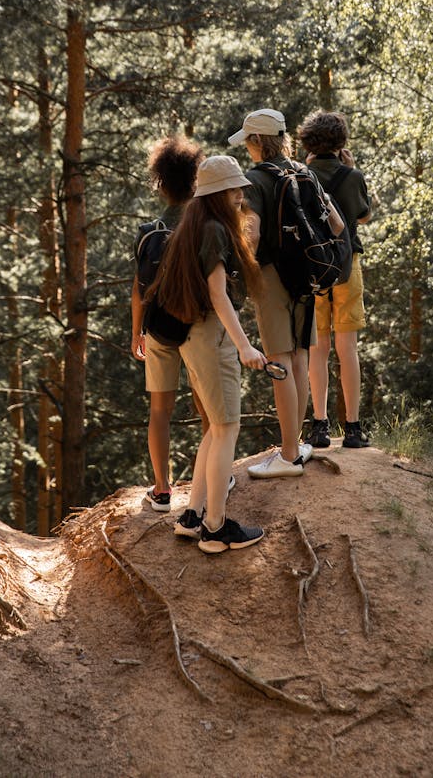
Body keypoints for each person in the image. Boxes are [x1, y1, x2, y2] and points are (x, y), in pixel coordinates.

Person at [146, 155, 267, 553]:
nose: (239, 196)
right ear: (219, 194)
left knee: (216, 427)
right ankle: (215, 529)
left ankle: (192, 514)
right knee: (227, 428)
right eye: (234, 190)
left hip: (193, 337)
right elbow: (218, 295)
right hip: (210, 338)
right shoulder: (214, 230)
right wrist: (245, 345)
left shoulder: (193, 225)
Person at [228, 108, 344, 479]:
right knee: (299, 359)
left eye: (248, 141)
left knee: (279, 361)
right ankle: (296, 447)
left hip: (272, 277)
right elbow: (338, 224)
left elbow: (253, 233)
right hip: (307, 278)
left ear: (259, 141)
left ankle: (289, 454)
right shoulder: (304, 171)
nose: (247, 148)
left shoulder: (254, 180)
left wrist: (239, 271)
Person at [131, 136, 204, 511]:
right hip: (197, 327)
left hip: (157, 328)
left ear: (161, 182)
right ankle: (213, 479)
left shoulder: (148, 231)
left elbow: (138, 289)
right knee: (207, 406)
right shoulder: (203, 224)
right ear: (196, 177)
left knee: (159, 411)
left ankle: (162, 490)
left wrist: (136, 333)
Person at [298, 110, 372, 449]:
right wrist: (352, 166)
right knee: (347, 348)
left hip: (313, 270)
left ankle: (320, 426)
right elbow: (365, 215)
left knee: (318, 348)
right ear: (341, 142)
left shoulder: (300, 176)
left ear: (308, 143)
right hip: (347, 265)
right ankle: (353, 429)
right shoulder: (352, 176)